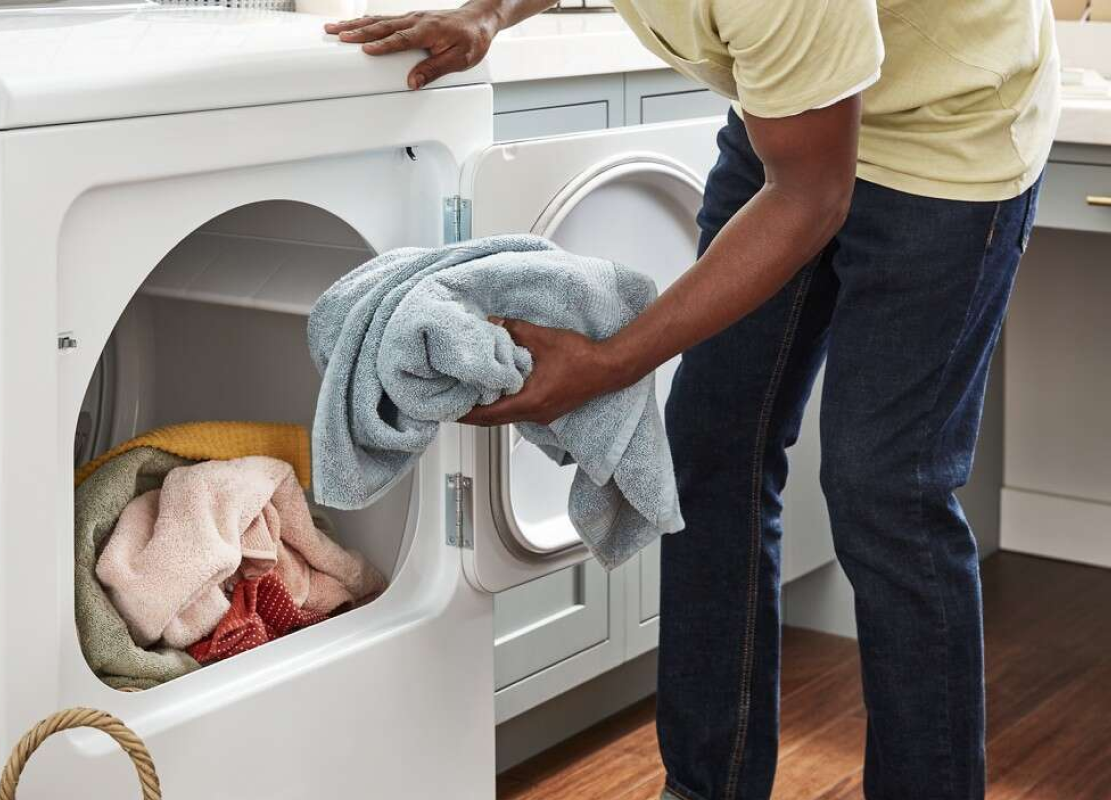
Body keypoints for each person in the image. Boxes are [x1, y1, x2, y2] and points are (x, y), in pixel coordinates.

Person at [329, 2, 1059, 798]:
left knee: (885, 490)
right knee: (711, 449)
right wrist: (492, 13)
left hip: (947, 135)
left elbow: (812, 197)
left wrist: (610, 361)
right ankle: (708, 786)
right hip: (794, 117)